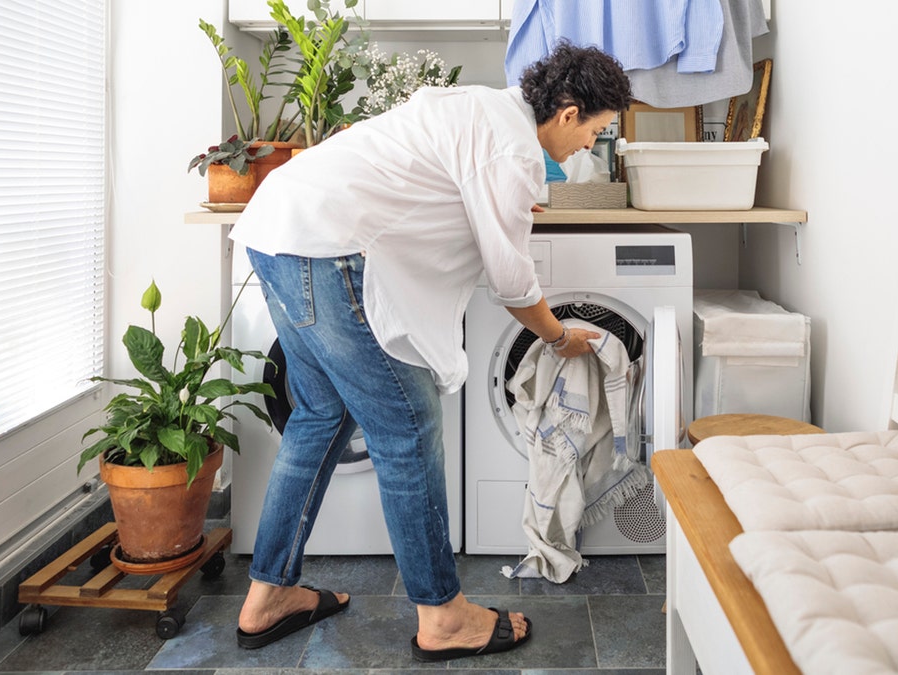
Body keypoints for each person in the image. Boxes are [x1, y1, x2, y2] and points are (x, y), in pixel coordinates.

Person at [227, 43, 632, 661]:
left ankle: (267, 596)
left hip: (276, 229)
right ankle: (442, 616)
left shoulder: (483, 108)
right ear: (569, 112)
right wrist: (557, 336)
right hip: (330, 248)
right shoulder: (512, 146)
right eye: (594, 133)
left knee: (319, 417)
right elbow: (512, 281)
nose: (586, 149)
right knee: (407, 430)